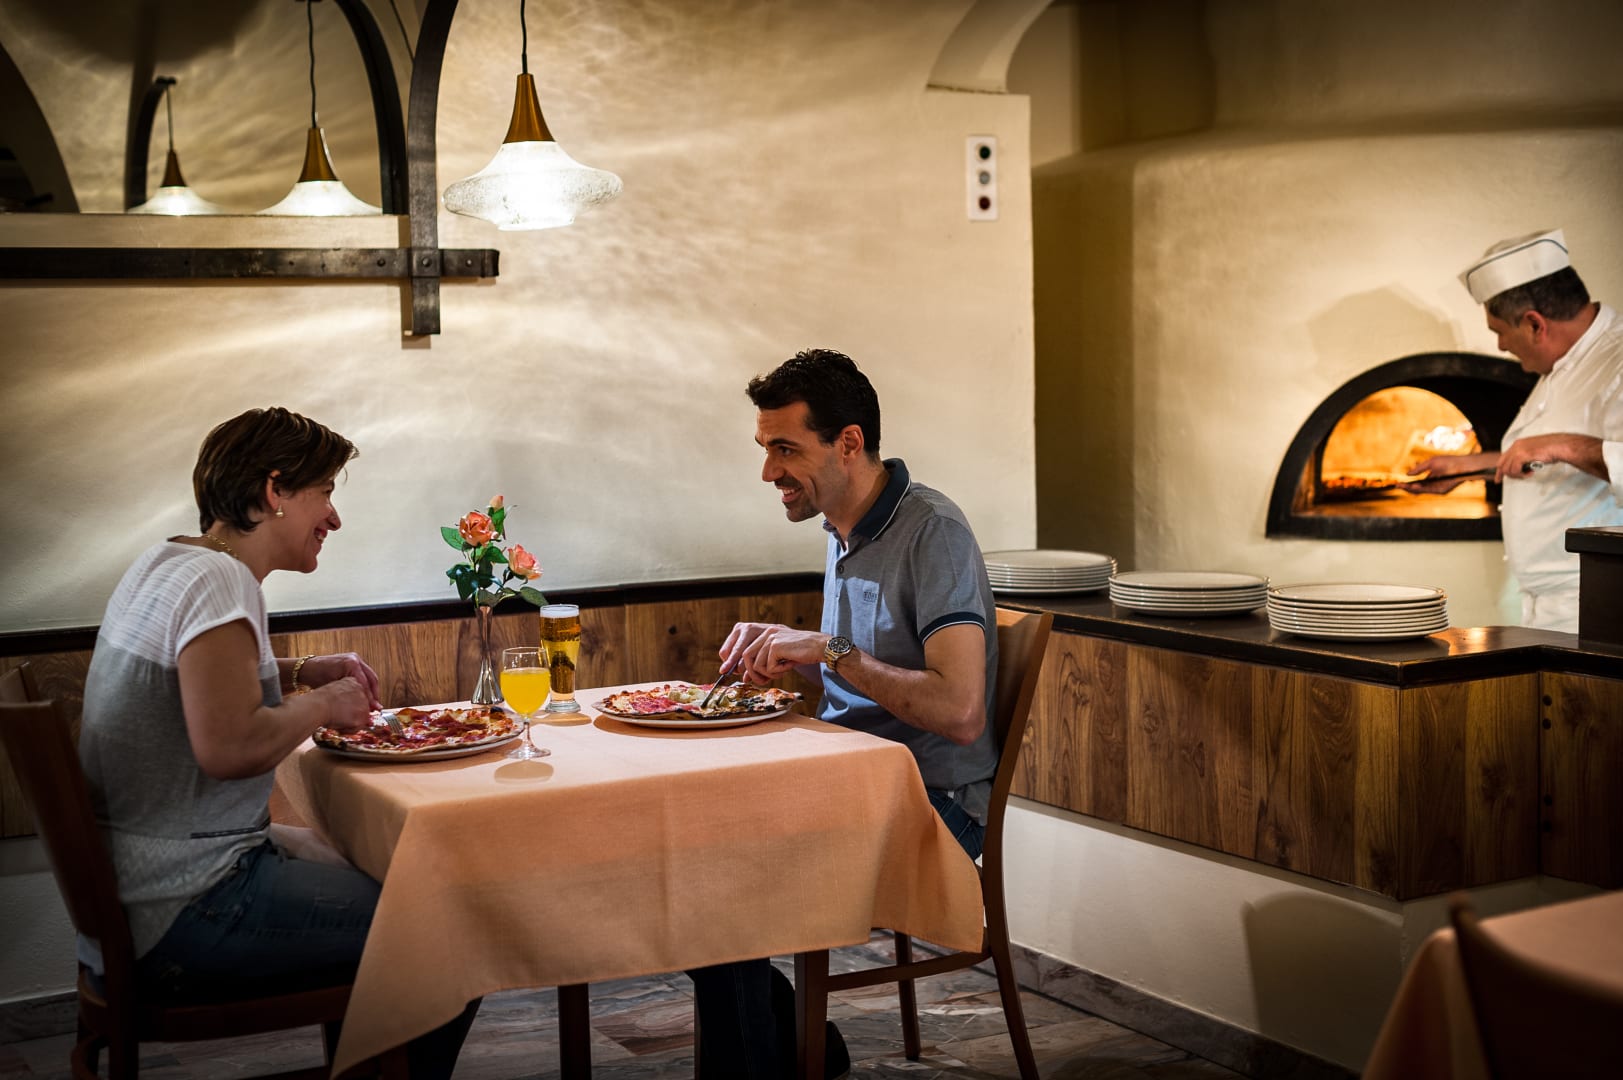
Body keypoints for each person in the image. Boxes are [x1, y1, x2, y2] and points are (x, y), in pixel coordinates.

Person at [77, 407, 479, 1077]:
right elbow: (229, 747)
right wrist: (324, 703)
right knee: (459, 923)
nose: (334, 518)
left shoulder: (169, 561)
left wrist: (300, 672)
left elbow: (195, 681)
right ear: (274, 492)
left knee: (390, 865)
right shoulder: (221, 581)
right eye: (324, 493)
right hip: (188, 911)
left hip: (133, 901)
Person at [686, 348, 999, 1079]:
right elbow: (865, 682)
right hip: (853, 781)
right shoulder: (843, 527)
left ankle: (788, 1048)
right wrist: (791, 658)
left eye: (785, 449)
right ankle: (797, 1041)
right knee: (687, 859)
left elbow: (959, 712)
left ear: (849, 442)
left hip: (932, 804)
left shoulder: (933, 532)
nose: (769, 471)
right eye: (766, 449)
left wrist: (826, 648)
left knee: (716, 888)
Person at [1409, 229, 1623, 632]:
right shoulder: (1564, 362)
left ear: (1534, 324)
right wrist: (1469, 467)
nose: (1501, 347)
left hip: (1593, 602)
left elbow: (1573, 452)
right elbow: (1545, 461)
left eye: (1499, 332)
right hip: (1547, 605)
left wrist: (1562, 445)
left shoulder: (1617, 361)